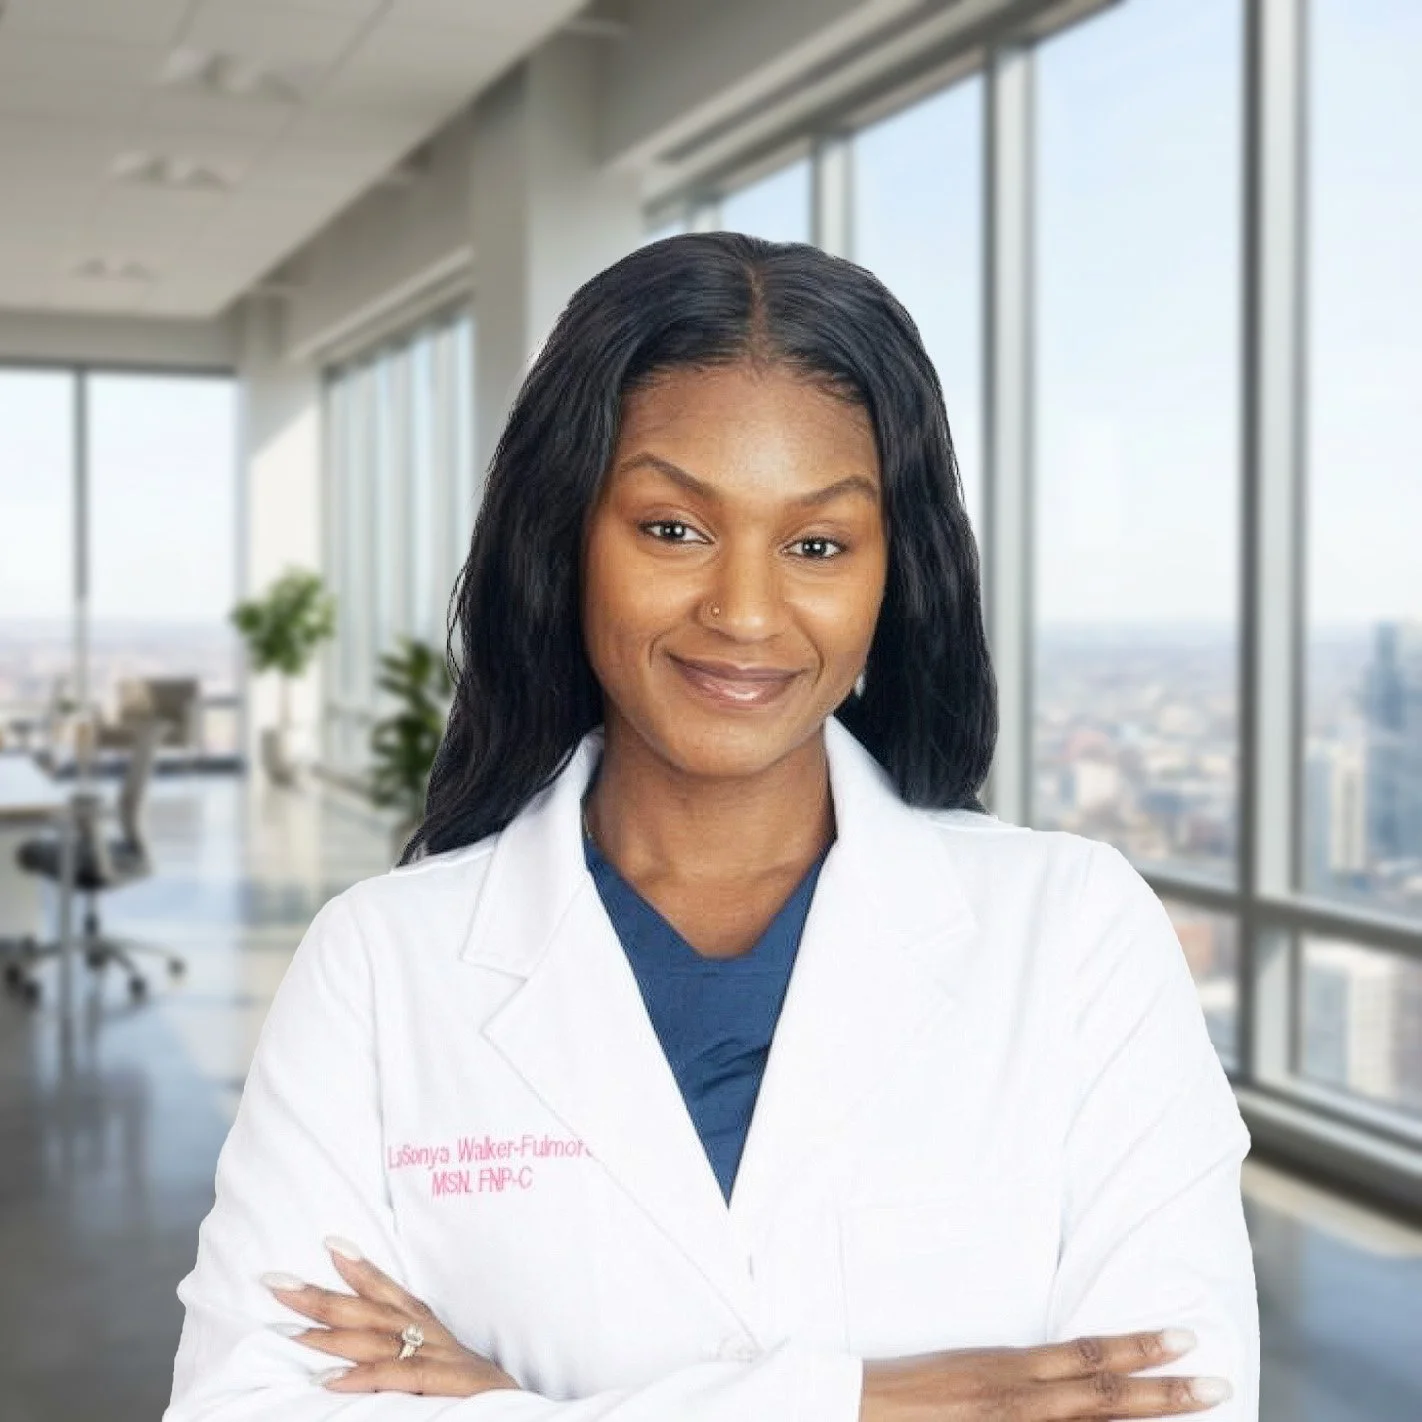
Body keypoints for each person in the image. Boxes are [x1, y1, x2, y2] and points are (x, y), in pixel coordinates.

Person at [164, 232, 1258, 1421]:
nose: (743, 611)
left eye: (818, 545)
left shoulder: (1075, 931)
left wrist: (509, 1401)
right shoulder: (381, 962)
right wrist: (862, 1402)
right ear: (566, 535)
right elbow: (250, 1404)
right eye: (672, 529)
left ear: (897, 572)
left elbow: (1173, 1399)